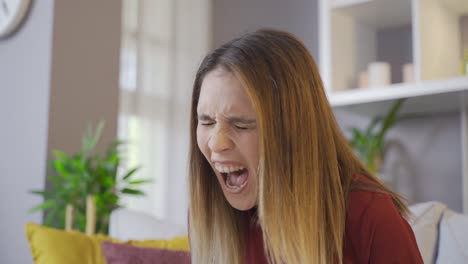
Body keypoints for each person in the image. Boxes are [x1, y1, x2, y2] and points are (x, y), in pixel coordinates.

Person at [188, 29, 423, 264]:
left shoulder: (368, 215)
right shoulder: (209, 215)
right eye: (206, 121)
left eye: (241, 124)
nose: (217, 143)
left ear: (293, 130)